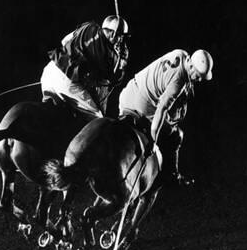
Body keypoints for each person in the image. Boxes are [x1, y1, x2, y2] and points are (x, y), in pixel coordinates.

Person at [119, 49, 214, 186]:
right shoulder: (178, 83)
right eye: (198, 76)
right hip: (142, 107)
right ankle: (172, 176)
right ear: (191, 66)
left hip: (128, 94)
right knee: (176, 136)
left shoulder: (181, 53)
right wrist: (153, 139)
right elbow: (162, 109)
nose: (198, 80)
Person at [40, 16, 130, 117]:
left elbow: (64, 41)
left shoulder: (88, 26)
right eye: (122, 37)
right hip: (68, 84)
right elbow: (111, 81)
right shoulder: (111, 54)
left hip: (50, 72)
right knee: (97, 119)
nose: (121, 40)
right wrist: (121, 60)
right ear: (113, 34)